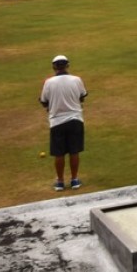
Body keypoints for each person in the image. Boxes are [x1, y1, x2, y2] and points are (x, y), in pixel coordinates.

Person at [40, 54, 87, 191]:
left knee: (59, 153)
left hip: (57, 121)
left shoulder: (48, 82)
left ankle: (60, 182)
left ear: (54, 67)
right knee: (74, 151)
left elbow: (44, 102)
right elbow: (82, 97)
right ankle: (74, 180)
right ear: (67, 66)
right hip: (75, 119)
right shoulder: (77, 80)